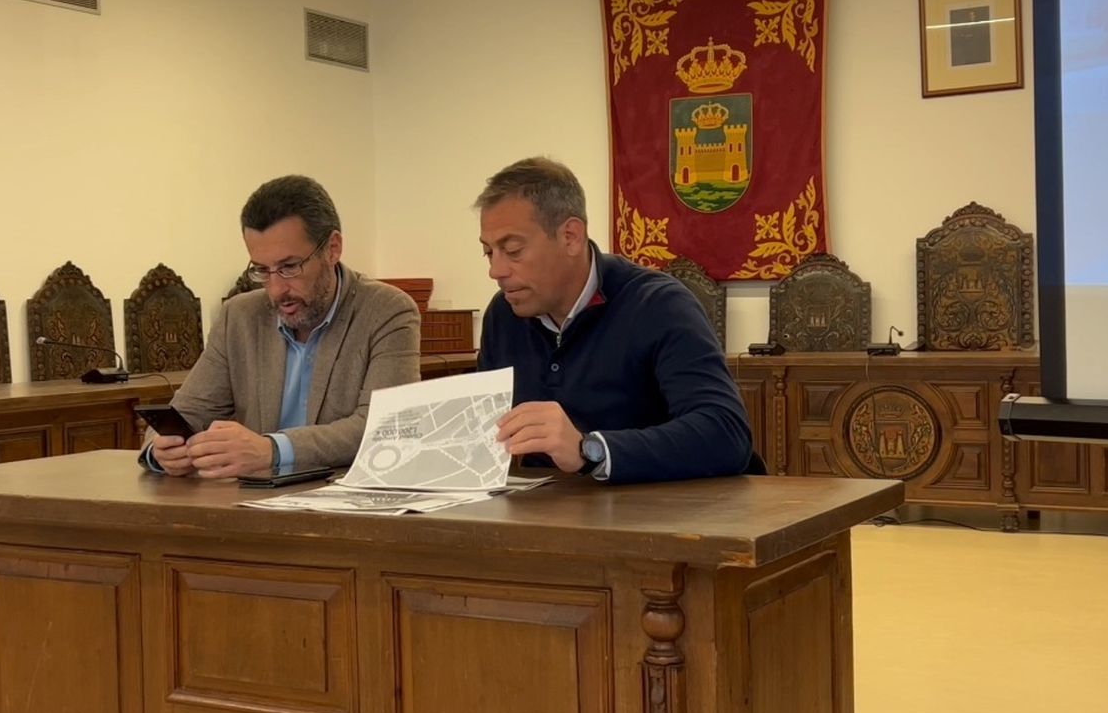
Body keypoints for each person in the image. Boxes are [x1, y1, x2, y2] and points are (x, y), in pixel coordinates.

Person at [474, 156, 755, 483]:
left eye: (513, 250)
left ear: (570, 237)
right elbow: (482, 435)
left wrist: (589, 450)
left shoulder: (658, 305)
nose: (496, 271)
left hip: (663, 519)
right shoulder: (503, 315)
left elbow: (725, 434)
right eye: (488, 252)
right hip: (549, 519)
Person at [142, 175, 420, 477]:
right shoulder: (238, 316)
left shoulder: (387, 310)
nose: (275, 290)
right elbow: (186, 412)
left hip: (346, 503)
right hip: (254, 505)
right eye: (262, 270)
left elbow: (385, 427)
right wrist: (161, 449)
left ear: (333, 248)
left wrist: (272, 451)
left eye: (289, 267)